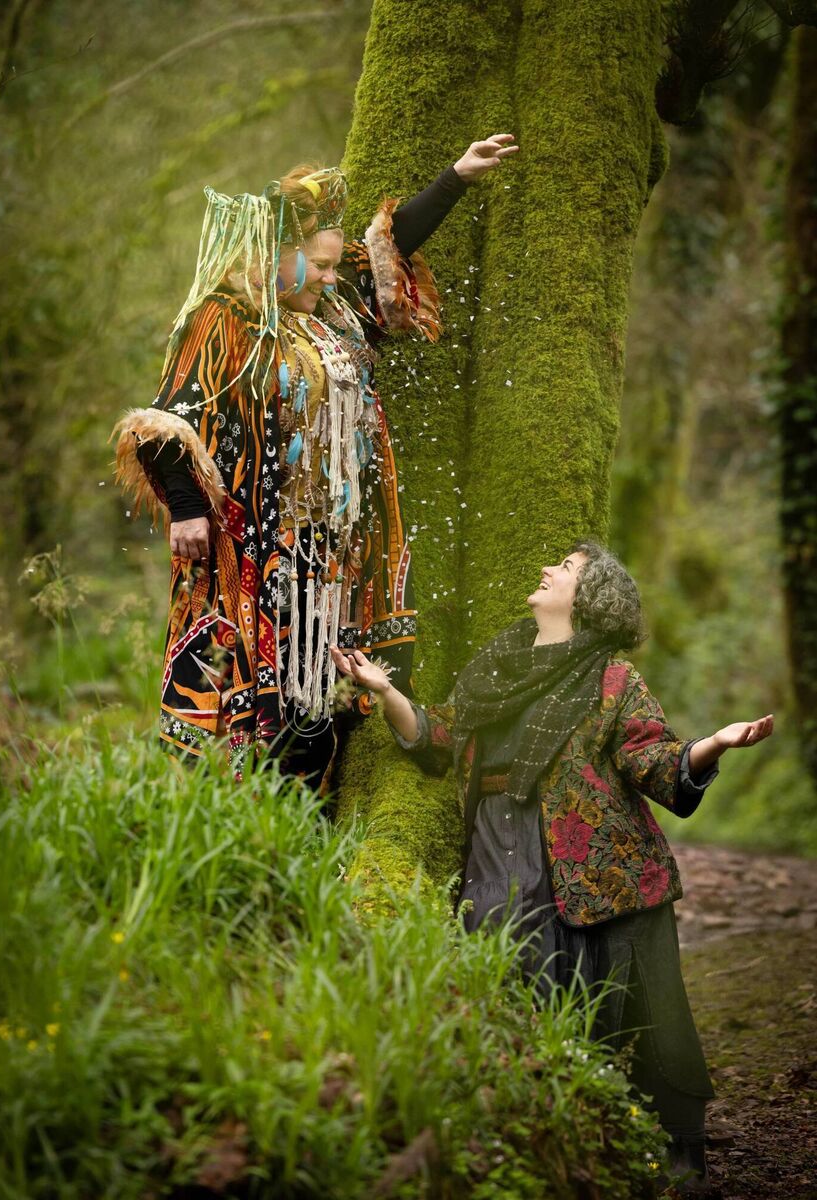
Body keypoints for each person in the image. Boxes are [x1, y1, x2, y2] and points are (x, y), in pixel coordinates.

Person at [330, 541, 773, 1193]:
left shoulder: (613, 679)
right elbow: (440, 735)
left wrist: (714, 744)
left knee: (621, 1014)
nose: (545, 569)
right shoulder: (499, 665)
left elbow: (653, 761)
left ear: (591, 598)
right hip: (492, 845)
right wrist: (384, 689)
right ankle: (518, 1135)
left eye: (565, 568)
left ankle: (648, 1153)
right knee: (503, 980)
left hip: (585, 862)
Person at [112, 135, 518, 783]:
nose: (334, 275)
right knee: (259, 678)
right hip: (256, 543)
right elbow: (166, 418)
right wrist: (185, 508)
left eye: (334, 266)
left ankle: (314, 803)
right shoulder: (225, 317)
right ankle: (238, 803)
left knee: (324, 688)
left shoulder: (331, 306)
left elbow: (385, 249)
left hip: (335, 549)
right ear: (275, 255)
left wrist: (456, 178)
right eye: (321, 264)